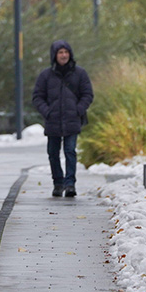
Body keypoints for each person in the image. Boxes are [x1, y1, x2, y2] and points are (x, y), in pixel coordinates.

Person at [32, 39, 94, 197]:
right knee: (53, 153)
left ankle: (70, 184)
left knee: (70, 151)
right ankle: (58, 183)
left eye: (66, 52)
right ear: (55, 55)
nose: (64, 55)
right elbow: (37, 97)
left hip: (72, 120)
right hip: (53, 121)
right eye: (60, 52)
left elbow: (87, 94)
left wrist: (78, 110)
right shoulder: (46, 75)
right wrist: (47, 112)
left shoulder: (80, 73)